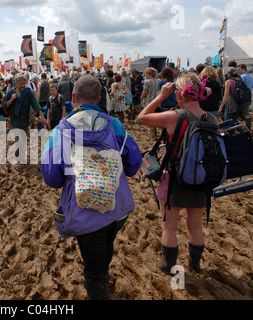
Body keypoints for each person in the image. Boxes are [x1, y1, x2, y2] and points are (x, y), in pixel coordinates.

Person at [41, 75, 142, 299]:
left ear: (73, 98)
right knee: (104, 254)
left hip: (82, 211)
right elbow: (134, 162)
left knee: (93, 268)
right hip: (115, 207)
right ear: (98, 99)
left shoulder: (61, 130)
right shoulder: (113, 124)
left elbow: (51, 177)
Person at [137, 73, 216, 275]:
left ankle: (168, 266)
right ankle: (195, 265)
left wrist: (161, 96)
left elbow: (142, 117)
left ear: (179, 94)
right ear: (199, 93)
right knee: (195, 226)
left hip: (174, 178)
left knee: (169, 227)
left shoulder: (175, 116)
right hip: (200, 177)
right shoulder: (212, 119)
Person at [2, 74, 48, 159]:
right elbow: (5, 105)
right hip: (14, 119)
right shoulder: (11, 92)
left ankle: (18, 151)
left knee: (23, 138)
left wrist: (42, 116)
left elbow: (35, 105)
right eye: (21, 84)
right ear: (16, 83)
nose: (22, 85)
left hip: (24, 119)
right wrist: (11, 99)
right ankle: (21, 157)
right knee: (18, 138)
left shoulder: (28, 93)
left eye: (24, 83)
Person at [141, 67, 159, 138]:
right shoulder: (158, 81)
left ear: (149, 74)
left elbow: (145, 93)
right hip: (157, 101)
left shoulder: (147, 82)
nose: (145, 75)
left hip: (149, 101)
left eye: (146, 73)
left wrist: (141, 98)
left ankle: (153, 134)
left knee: (150, 118)